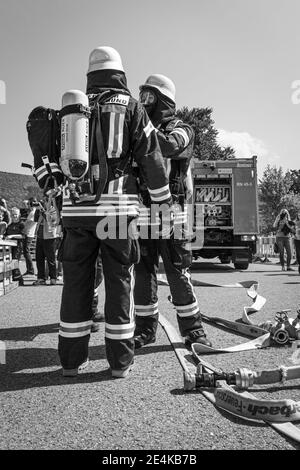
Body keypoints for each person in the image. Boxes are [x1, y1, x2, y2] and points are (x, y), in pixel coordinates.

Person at [57, 46, 172, 379]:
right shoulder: (131, 108)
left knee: (76, 283)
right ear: (120, 74)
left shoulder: (71, 109)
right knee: (120, 281)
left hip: (76, 211)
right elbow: (151, 158)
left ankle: (71, 362)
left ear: (90, 75)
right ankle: (120, 362)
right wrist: (162, 203)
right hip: (116, 213)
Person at [133, 74, 212, 349]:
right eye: (140, 97)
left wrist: (140, 128)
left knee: (178, 273)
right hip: (142, 213)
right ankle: (144, 330)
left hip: (173, 215)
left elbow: (168, 146)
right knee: (143, 275)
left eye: (148, 97)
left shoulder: (182, 129)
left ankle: (193, 331)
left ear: (163, 99)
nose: (143, 102)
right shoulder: (138, 130)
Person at [32, 197, 58, 285]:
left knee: (51, 259)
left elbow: (50, 220)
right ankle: (41, 278)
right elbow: (35, 220)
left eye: (45, 201)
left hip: (50, 238)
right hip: (40, 237)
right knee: (39, 258)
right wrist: (37, 210)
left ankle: (53, 277)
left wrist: (42, 210)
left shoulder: (53, 210)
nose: (43, 202)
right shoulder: (41, 210)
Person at [5, 207, 24, 285]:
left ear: (19, 215)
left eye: (15, 215)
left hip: (18, 246)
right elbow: (6, 235)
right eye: (12, 215)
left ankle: (19, 280)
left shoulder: (21, 224)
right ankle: (13, 278)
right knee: (10, 262)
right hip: (9, 247)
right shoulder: (9, 225)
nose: (14, 216)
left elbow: (23, 236)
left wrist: (12, 236)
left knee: (14, 262)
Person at [21, 197, 38, 276]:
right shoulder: (32, 211)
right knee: (26, 252)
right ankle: (30, 270)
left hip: (28, 234)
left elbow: (29, 222)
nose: (27, 205)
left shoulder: (33, 212)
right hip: (29, 233)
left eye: (28, 204)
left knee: (26, 252)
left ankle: (30, 270)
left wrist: (23, 229)